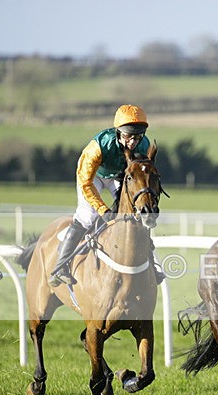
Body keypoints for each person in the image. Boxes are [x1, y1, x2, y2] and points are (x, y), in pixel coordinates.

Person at [48, 104, 164, 287]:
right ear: (118, 132)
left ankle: (152, 264)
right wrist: (103, 209)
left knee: (137, 212)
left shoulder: (144, 144)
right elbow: (86, 182)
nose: (133, 142)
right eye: (128, 136)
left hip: (119, 175)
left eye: (137, 136)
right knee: (88, 217)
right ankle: (60, 267)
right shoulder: (98, 146)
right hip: (92, 177)